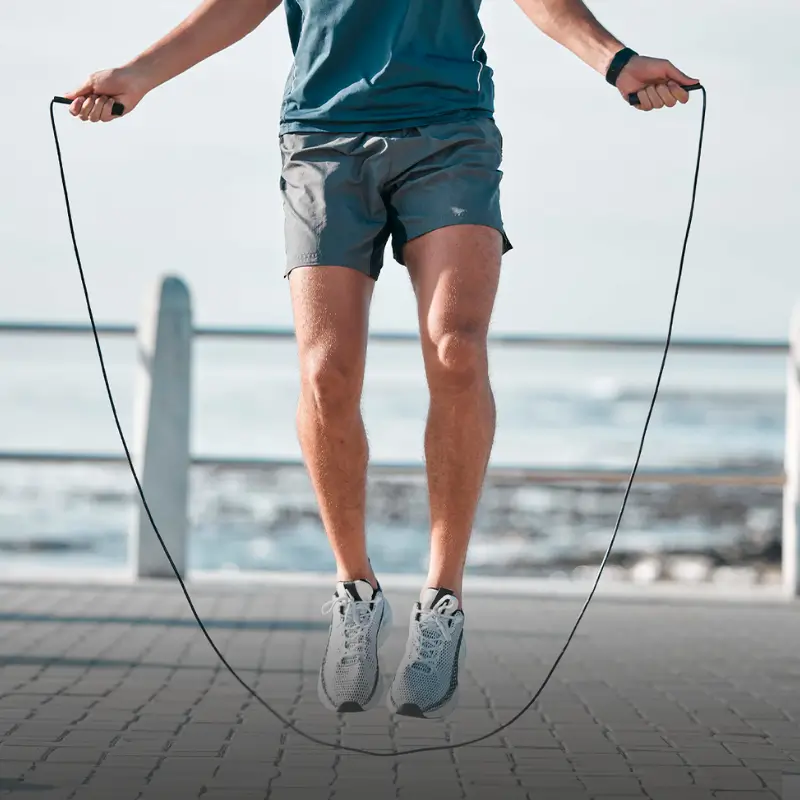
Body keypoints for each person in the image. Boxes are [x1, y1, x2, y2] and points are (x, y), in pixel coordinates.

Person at [67, 0, 697, 720]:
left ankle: (442, 602)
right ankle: (355, 594)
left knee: (456, 347)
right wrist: (138, 75)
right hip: (322, 137)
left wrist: (617, 63)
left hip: (449, 130)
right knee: (325, 375)